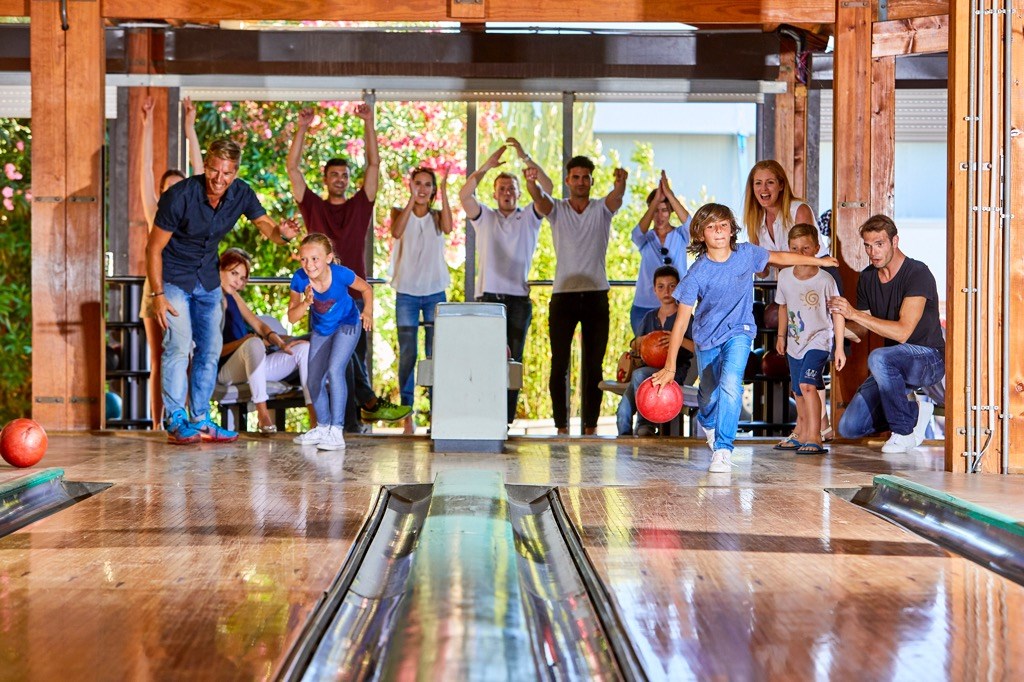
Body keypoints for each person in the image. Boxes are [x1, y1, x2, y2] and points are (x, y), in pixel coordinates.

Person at [651, 203, 839, 473]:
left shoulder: (746, 254)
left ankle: (724, 449)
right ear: (701, 234)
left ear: (731, 231)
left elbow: (781, 257)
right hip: (707, 338)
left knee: (731, 382)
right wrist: (669, 367)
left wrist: (818, 261)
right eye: (711, 226)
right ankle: (708, 422)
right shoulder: (697, 272)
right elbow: (681, 322)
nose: (718, 231)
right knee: (708, 396)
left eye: (724, 225)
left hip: (740, 331)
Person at [147, 137, 300, 444]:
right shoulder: (179, 197)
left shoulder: (241, 193)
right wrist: (157, 295)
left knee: (211, 348)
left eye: (227, 173)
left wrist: (281, 236)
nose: (220, 179)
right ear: (206, 165)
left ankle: (201, 418)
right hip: (174, 279)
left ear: (235, 172)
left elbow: (266, 225)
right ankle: (176, 419)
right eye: (215, 171)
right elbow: (153, 248)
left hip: (208, 280)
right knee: (178, 346)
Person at [287, 103, 411, 432]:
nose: (340, 179)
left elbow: (374, 163)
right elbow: (292, 169)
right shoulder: (313, 207)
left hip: (355, 295)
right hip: (325, 298)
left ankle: (353, 424)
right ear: (326, 179)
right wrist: (303, 127)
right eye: (334, 175)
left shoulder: (360, 206)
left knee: (350, 359)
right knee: (341, 360)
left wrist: (369, 123)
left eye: (344, 175)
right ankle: (363, 410)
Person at [829, 214, 945, 453]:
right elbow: (861, 329)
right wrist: (831, 328)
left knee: (879, 357)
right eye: (868, 246)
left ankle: (902, 431)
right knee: (849, 427)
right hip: (893, 366)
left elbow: (903, 333)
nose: (873, 252)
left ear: (895, 242)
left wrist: (853, 313)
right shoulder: (868, 277)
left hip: (928, 359)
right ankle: (917, 412)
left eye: (879, 244)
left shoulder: (917, 273)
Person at [530, 156, 627, 435]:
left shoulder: (601, 210)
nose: (581, 182)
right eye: (576, 177)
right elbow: (539, 198)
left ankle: (590, 427)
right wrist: (530, 182)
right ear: (567, 180)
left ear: (592, 181)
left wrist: (621, 183)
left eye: (586, 177)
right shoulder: (558, 210)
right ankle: (561, 426)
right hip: (564, 297)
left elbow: (616, 198)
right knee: (559, 362)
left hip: (596, 295)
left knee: (593, 365)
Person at [459, 137, 553, 423]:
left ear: (518, 193)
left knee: (513, 360)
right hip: (489, 298)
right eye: (501, 189)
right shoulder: (485, 216)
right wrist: (487, 165)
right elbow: (464, 195)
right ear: (495, 193)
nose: (507, 193)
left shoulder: (529, 217)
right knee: (486, 357)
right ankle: (485, 413)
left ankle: (506, 419)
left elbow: (548, 194)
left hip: (517, 301)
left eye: (511, 188)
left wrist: (526, 160)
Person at [138, 95, 205, 429]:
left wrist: (189, 127)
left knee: (188, 355)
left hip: (188, 288)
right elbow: (144, 172)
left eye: (181, 189)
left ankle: (190, 416)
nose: (176, 195)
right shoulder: (156, 213)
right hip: (158, 288)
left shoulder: (196, 211)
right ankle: (157, 423)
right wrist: (147, 123)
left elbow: (201, 171)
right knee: (159, 356)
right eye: (169, 190)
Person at [288, 234, 374, 450]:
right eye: (304, 259)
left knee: (335, 370)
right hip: (322, 330)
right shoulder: (299, 279)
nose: (309, 265)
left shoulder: (341, 274)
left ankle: (337, 430)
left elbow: (366, 289)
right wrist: (306, 302)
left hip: (348, 324)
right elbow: (291, 317)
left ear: (328, 258)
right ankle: (323, 427)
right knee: (313, 379)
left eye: (315, 259)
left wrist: (368, 311)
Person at [216, 248, 313, 433]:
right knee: (253, 343)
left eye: (242, 278)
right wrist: (246, 341)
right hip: (226, 370)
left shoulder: (234, 296)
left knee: (304, 348)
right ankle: (263, 415)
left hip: (251, 364)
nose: (238, 281)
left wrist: (280, 343)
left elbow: (259, 325)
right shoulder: (211, 299)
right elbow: (213, 352)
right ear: (220, 269)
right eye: (233, 273)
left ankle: (315, 420)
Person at [772, 224, 847, 455]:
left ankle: (815, 436)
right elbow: (783, 307)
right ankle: (802, 432)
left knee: (807, 385)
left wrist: (840, 348)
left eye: (806, 248)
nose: (800, 252)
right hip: (795, 342)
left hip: (819, 341)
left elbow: (838, 313)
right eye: (794, 248)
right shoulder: (784, 276)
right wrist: (781, 336)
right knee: (797, 390)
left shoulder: (825, 280)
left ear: (816, 248)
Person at [390, 165, 454, 434]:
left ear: (434, 190)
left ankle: (435, 414)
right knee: (408, 353)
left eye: (428, 184)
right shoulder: (398, 212)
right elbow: (396, 232)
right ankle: (407, 415)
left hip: (434, 293)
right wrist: (410, 200)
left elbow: (449, 228)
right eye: (418, 183)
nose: (423, 189)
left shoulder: (438, 217)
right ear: (411, 185)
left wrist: (447, 193)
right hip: (406, 292)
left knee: (434, 354)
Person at [617, 265, 694, 436]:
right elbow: (634, 344)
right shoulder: (650, 317)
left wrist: (677, 339)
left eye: (672, 286)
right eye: (661, 287)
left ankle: (645, 423)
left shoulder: (685, 318)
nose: (666, 291)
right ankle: (624, 447)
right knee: (623, 412)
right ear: (654, 290)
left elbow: (697, 348)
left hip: (675, 372)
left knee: (639, 376)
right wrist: (645, 340)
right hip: (647, 372)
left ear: (679, 287)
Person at [629, 171, 691, 334]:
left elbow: (690, 224)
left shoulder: (680, 235)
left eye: (664, 210)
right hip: (644, 306)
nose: (659, 215)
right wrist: (656, 199)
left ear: (670, 211)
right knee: (644, 353)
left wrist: (669, 195)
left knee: (676, 353)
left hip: (676, 304)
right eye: (655, 210)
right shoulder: (646, 238)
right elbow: (636, 233)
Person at [742, 160, 818, 279]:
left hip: (818, 276)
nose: (764, 189)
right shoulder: (755, 219)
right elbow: (762, 273)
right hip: (791, 280)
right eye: (758, 183)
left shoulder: (799, 210)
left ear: (781, 185)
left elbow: (804, 259)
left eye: (770, 182)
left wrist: (768, 258)